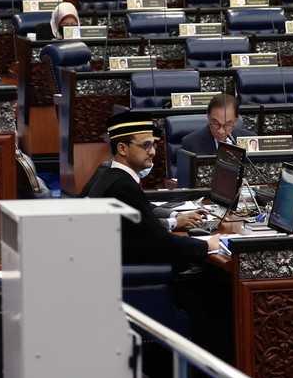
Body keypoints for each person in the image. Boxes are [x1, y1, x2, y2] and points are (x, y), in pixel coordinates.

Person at [82, 111, 221, 265]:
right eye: (146, 145)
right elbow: (161, 244)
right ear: (122, 149)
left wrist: (175, 219)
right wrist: (208, 245)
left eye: (153, 145)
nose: (153, 152)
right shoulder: (122, 186)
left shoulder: (110, 175)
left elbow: (143, 224)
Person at [175, 93, 255, 183]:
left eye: (227, 124)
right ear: (208, 117)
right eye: (216, 123)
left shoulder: (249, 139)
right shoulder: (191, 143)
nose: (221, 131)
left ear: (235, 121)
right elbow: (185, 184)